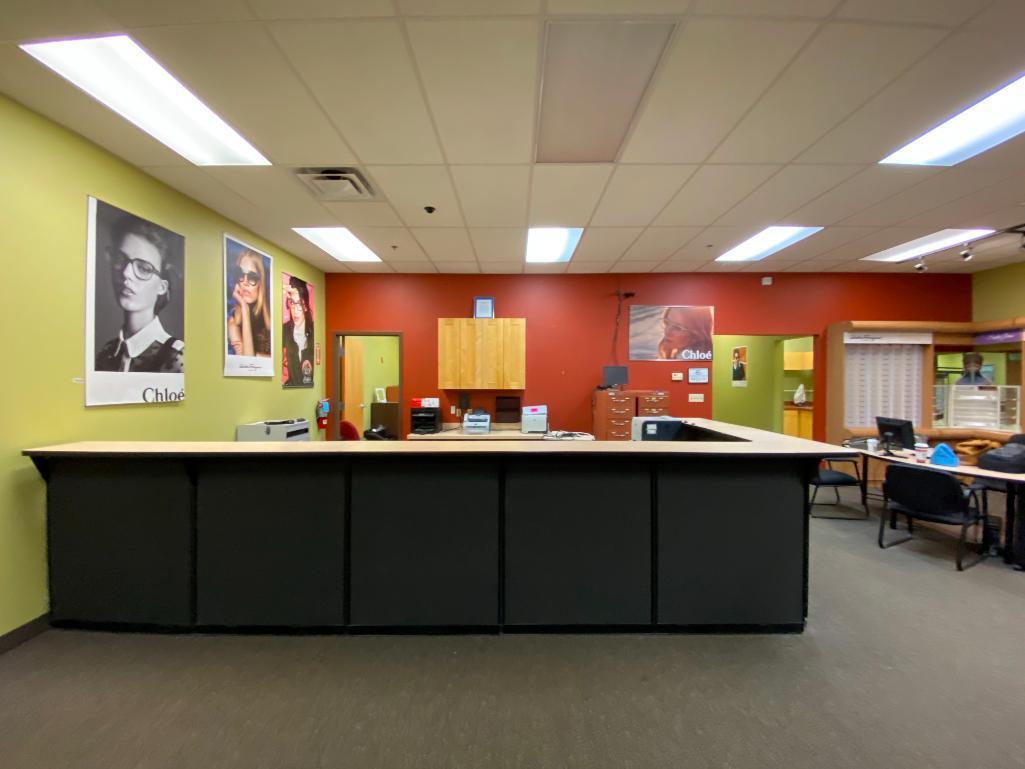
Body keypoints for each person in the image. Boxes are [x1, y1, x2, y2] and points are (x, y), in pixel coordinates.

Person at [95, 216, 183, 372]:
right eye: (121, 259)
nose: (126, 273)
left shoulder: (176, 356)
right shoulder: (106, 352)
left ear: (162, 287)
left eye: (143, 268)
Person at [227, 249, 271, 357]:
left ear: (261, 281)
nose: (245, 282)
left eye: (252, 277)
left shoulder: (270, 314)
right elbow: (248, 360)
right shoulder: (233, 321)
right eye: (241, 275)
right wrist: (244, 309)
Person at [282, 277, 314, 387]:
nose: (295, 310)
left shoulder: (313, 332)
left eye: (299, 304)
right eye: (292, 303)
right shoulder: (285, 330)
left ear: (305, 307)